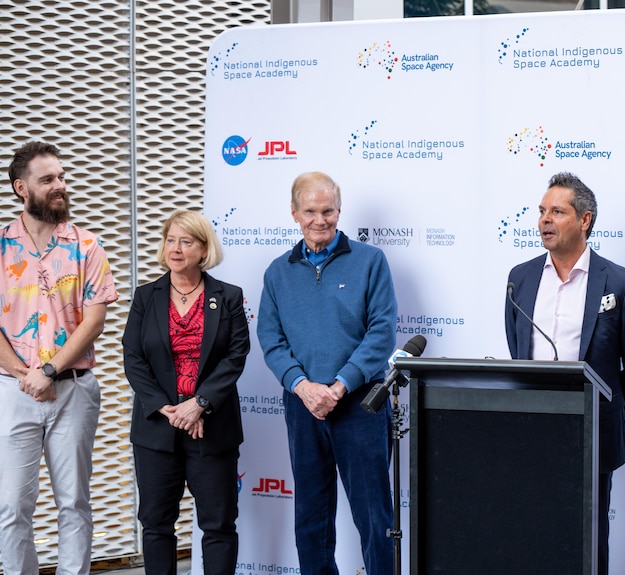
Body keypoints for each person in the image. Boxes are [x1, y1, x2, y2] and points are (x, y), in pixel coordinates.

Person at [504, 171, 625, 575]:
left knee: (588, 535)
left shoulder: (620, 284)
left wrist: (607, 408)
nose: (544, 220)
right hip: (531, 425)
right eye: (540, 212)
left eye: (557, 211)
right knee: (532, 532)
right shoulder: (520, 278)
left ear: (585, 220)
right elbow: (517, 349)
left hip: (591, 428)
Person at [257, 171, 397, 575]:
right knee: (311, 517)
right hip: (303, 406)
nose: (320, 220)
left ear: (339, 210)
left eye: (329, 211)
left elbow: (382, 332)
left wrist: (338, 387)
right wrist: (303, 387)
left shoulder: (371, 262)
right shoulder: (278, 272)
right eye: (311, 211)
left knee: (374, 516)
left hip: (359, 405)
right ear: (294, 213)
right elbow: (271, 337)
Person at [0, 141, 119, 575]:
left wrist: (49, 370)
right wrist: (25, 374)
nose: (60, 186)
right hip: (13, 391)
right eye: (47, 179)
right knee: (12, 505)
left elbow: (94, 320)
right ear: (21, 188)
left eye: (62, 177)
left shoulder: (87, 246)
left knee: (73, 501)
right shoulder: (0, 247)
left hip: (74, 391)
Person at [122, 210, 250, 575]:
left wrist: (199, 404)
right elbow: (133, 357)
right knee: (157, 524)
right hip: (156, 429)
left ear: (204, 248)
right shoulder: (146, 296)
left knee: (218, 524)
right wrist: (169, 409)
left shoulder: (227, 297)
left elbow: (235, 355)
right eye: (170, 240)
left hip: (212, 427)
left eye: (186, 241)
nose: (175, 249)